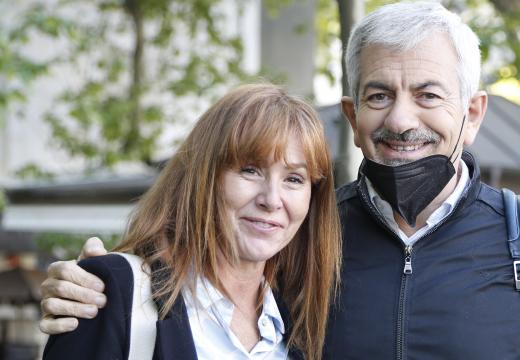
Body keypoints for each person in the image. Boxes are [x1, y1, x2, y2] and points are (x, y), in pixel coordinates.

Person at [39, 2, 520, 358]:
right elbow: (191, 280)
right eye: (379, 95)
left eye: (429, 95)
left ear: (473, 113)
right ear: (353, 115)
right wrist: (97, 284)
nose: (402, 119)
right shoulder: (302, 234)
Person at [42, 83, 341, 360]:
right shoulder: (110, 296)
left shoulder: (299, 329)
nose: (272, 200)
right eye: (250, 170)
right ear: (204, 177)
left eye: (294, 178)